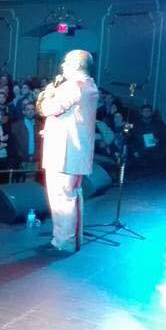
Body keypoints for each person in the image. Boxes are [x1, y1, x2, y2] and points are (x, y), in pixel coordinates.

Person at [37, 50, 99, 253]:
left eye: (66, 62)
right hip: (77, 152)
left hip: (64, 153)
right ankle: (73, 239)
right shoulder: (90, 85)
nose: (62, 66)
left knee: (61, 198)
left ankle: (63, 242)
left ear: (77, 65)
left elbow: (48, 109)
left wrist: (48, 93)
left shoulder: (72, 86)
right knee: (73, 195)